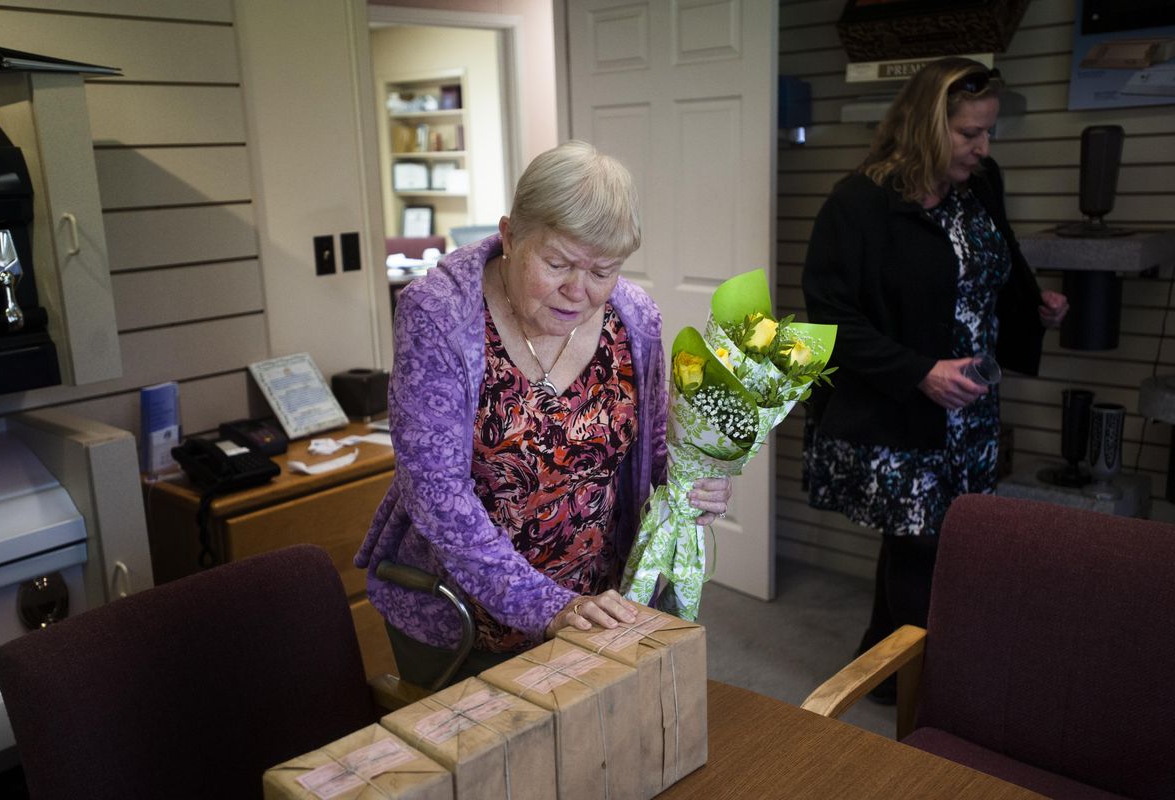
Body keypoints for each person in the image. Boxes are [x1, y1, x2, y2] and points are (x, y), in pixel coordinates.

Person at [355, 140, 731, 687]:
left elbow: (649, 450)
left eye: (603, 271)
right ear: (509, 236)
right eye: (556, 263)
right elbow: (435, 492)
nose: (579, 291)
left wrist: (695, 480)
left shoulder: (634, 318)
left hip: (595, 605)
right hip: (464, 616)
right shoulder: (439, 313)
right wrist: (541, 605)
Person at [801, 58, 1068, 700]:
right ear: (926, 126)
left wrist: (1033, 306)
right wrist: (920, 373)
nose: (984, 148)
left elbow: (993, 263)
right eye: (970, 133)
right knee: (923, 544)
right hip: (902, 403)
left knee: (925, 535)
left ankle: (881, 666)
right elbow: (831, 317)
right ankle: (925, 693)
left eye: (988, 133)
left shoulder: (981, 184)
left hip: (969, 406)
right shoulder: (858, 203)